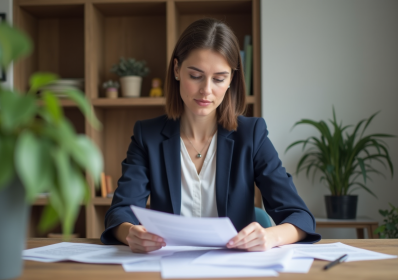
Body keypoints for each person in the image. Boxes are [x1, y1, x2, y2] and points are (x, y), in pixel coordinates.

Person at [101, 18, 321, 253]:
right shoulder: (148, 136)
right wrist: (130, 233)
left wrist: (271, 236)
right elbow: (120, 212)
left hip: (234, 268)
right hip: (166, 266)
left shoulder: (251, 135)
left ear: (231, 80)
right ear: (176, 69)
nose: (206, 90)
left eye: (218, 79)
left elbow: (300, 216)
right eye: (195, 76)